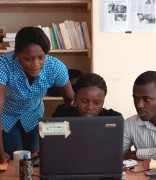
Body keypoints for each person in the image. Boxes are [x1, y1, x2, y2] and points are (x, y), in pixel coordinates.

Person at [0, 26, 74, 163]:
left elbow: (70, 101)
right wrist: (0, 150)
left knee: (37, 160)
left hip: (34, 115)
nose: (35, 64)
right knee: (17, 160)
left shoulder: (55, 67)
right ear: (17, 54)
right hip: (7, 117)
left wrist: (65, 140)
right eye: (28, 58)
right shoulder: (4, 65)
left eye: (41, 57)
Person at [53, 73, 123, 117]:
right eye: (84, 101)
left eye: (97, 103)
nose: (90, 107)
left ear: (103, 101)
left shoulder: (113, 118)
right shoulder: (61, 116)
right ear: (75, 98)